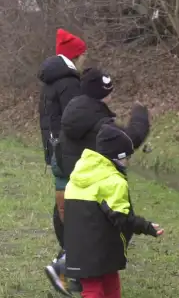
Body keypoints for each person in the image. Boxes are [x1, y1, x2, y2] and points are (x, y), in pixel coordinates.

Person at [45, 67, 150, 296]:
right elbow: (129, 141)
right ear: (104, 93)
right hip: (100, 187)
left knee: (83, 237)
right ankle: (62, 266)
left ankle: (68, 269)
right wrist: (140, 116)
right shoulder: (100, 122)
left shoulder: (73, 112)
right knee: (107, 235)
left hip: (77, 186)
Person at [64, 124, 164, 298]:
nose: (128, 162)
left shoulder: (78, 174)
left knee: (101, 282)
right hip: (102, 249)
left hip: (78, 248)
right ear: (116, 157)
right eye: (126, 158)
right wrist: (147, 227)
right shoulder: (113, 181)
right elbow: (122, 218)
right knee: (100, 289)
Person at [38, 28, 87, 296]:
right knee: (78, 210)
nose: (85, 60)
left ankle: (67, 263)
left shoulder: (49, 81)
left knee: (65, 208)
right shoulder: (68, 83)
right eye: (83, 55)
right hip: (69, 155)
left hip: (55, 154)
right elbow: (76, 121)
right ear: (75, 56)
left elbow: (49, 123)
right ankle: (66, 268)